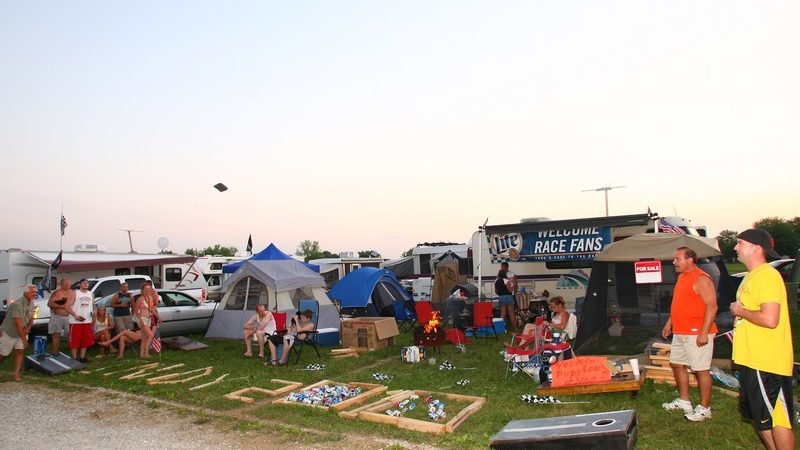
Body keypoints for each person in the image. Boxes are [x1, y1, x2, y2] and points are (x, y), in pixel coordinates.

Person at [730, 229, 794, 449]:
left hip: (767, 361)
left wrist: (739, 310)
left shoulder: (766, 276)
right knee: (761, 418)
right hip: (752, 360)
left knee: (778, 418)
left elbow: (769, 319)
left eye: (740, 243)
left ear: (756, 247)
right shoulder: (752, 276)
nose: (735, 247)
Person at [660, 247, 718, 422]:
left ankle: (705, 409)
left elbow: (712, 306)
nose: (674, 262)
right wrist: (670, 322)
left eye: (677, 259)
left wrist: (704, 333)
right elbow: (679, 303)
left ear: (690, 260)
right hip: (680, 331)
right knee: (677, 364)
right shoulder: (681, 277)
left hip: (697, 333)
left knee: (701, 369)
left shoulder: (701, 278)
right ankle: (685, 401)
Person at [0, 284, 36, 381]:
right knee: (3, 354)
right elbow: (17, 324)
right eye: (32, 292)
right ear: (26, 293)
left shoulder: (32, 303)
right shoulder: (17, 304)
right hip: (9, 331)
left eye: (35, 292)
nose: (35, 294)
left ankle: (16, 374)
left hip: (22, 331)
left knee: (20, 351)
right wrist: (24, 340)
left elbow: (32, 318)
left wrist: (28, 329)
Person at [65, 278, 94, 363]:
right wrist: (75, 315)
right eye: (83, 283)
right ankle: (74, 358)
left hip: (87, 321)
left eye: (87, 283)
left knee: (85, 340)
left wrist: (94, 316)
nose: (85, 284)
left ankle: (82, 357)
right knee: (75, 340)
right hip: (76, 321)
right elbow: (67, 306)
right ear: (79, 284)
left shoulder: (90, 294)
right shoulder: (75, 293)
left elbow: (92, 306)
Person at [47, 278, 74, 354]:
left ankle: (71, 348)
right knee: (56, 334)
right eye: (66, 283)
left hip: (69, 316)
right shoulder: (57, 293)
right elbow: (50, 304)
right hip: (57, 316)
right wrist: (63, 307)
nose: (68, 284)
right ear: (61, 284)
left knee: (71, 334)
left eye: (69, 283)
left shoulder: (73, 293)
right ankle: (55, 350)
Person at [135, 284, 159, 358]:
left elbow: (152, 309)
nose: (148, 290)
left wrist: (158, 317)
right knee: (151, 335)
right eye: (146, 289)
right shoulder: (140, 299)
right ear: (143, 290)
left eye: (149, 289)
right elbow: (136, 311)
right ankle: (146, 353)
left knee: (144, 338)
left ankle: (141, 354)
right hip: (142, 319)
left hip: (148, 318)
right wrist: (140, 319)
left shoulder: (150, 298)